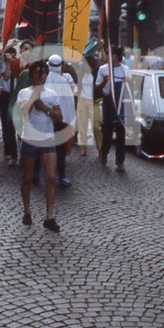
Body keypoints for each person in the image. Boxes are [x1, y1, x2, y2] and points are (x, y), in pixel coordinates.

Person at [16, 59, 63, 231]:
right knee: (27, 178)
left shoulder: (52, 93)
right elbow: (24, 111)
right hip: (29, 139)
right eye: (37, 72)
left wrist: (46, 108)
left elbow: (59, 116)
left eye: (43, 73)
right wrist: (35, 95)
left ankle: (49, 216)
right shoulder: (24, 93)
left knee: (51, 177)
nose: (41, 76)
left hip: (47, 140)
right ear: (31, 75)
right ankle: (27, 210)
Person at [95, 45, 130, 172]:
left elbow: (129, 88)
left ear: (115, 56)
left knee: (121, 133)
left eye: (111, 54)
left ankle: (120, 161)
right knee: (107, 133)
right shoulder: (103, 69)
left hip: (120, 104)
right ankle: (104, 154)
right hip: (108, 102)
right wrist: (104, 82)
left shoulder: (125, 69)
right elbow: (97, 89)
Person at [45, 54, 77, 188]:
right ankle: (61, 176)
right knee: (59, 149)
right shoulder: (62, 80)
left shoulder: (45, 79)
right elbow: (69, 101)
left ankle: (39, 174)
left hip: (48, 118)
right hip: (61, 119)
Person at [0, 46, 20, 167]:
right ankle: (8, 151)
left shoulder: (18, 64)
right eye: (6, 53)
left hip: (17, 95)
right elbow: (4, 73)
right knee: (6, 124)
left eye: (10, 53)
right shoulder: (1, 63)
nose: (8, 56)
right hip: (5, 95)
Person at [75, 43, 101, 158]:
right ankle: (83, 147)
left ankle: (100, 148)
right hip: (82, 100)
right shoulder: (80, 70)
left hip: (94, 101)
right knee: (82, 125)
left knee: (96, 126)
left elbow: (98, 87)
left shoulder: (97, 71)